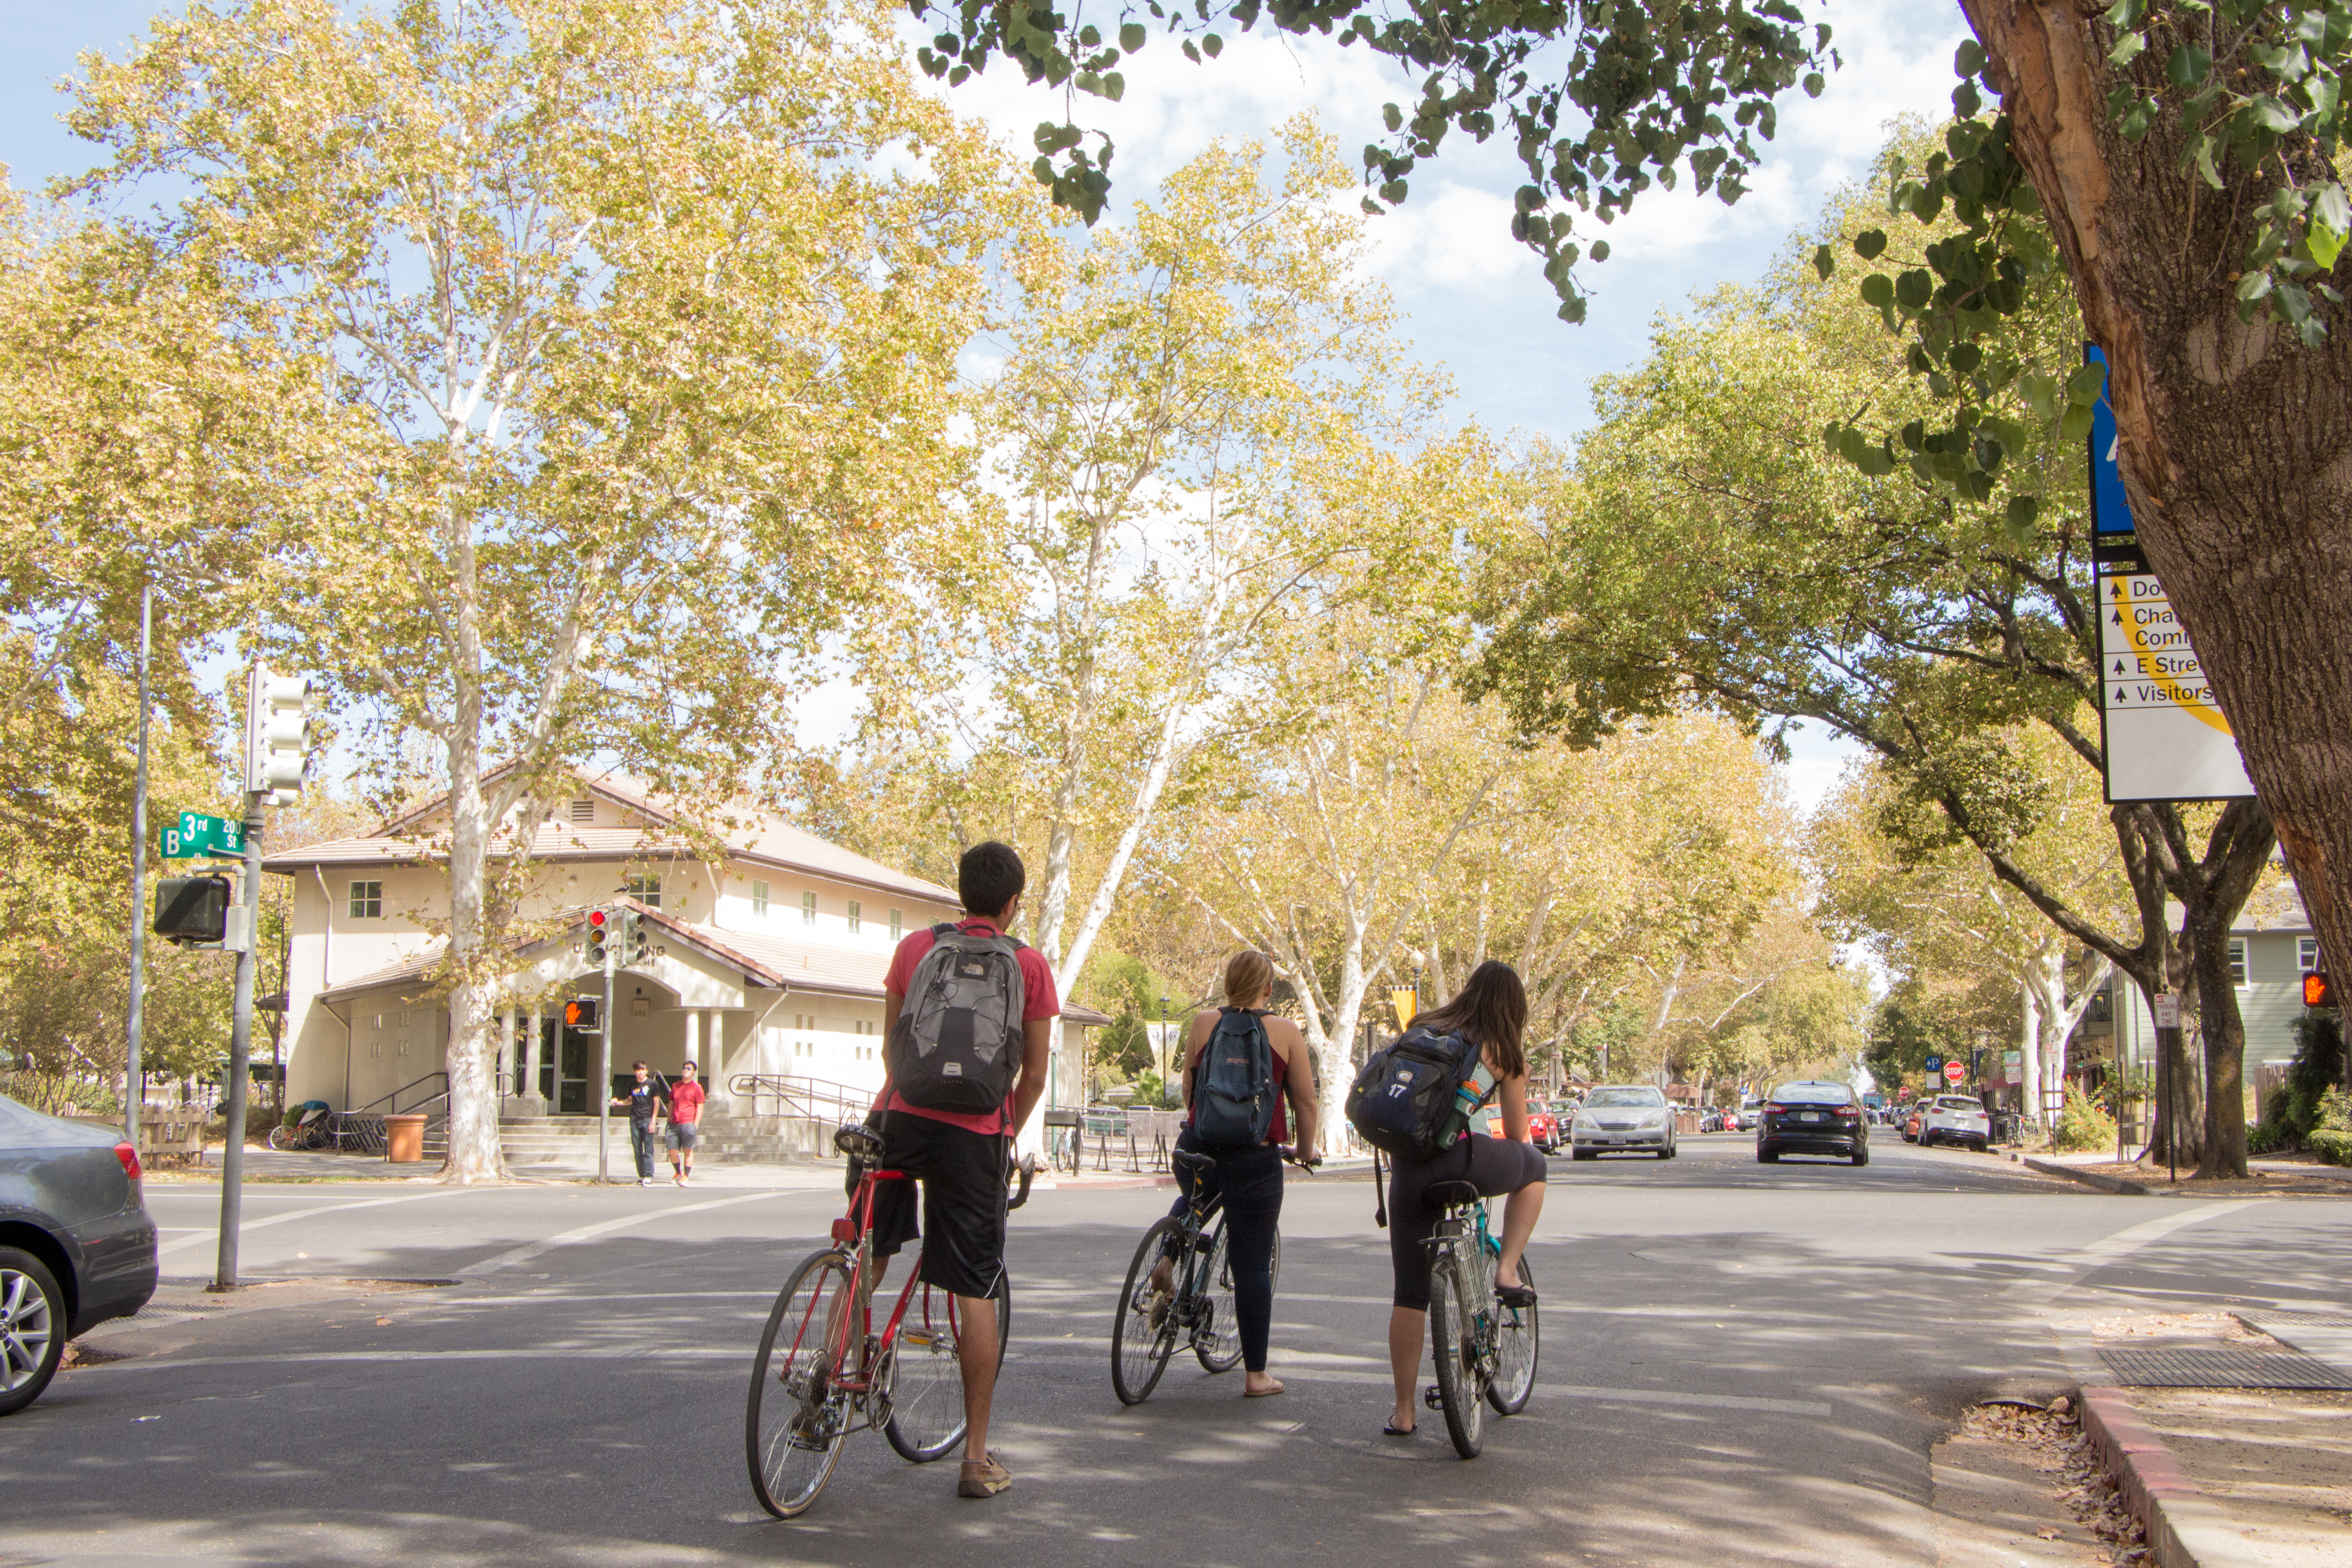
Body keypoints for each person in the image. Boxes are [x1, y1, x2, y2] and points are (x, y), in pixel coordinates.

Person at [869, 841, 1056, 1499]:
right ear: (1012, 903)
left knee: (867, 1250)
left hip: (899, 1120)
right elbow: (1033, 1074)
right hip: (974, 1134)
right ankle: (975, 1460)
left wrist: (897, 1105)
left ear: (960, 892)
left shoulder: (915, 950)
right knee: (975, 1288)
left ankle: (832, 1369)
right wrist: (1006, 1124)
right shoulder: (1028, 965)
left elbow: (894, 1049)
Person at [1380, 960, 1547, 1438]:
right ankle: (1507, 1268)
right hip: (1460, 1161)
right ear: (1512, 1006)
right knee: (1535, 1168)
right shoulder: (1502, 1046)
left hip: (1408, 1168)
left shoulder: (1422, 1026)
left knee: (1409, 1294)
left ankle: (1404, 1412)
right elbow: (1518, 1135)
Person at [1141, 950, 1318, 1397]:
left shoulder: (1204, 1023)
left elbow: (1189, 1086)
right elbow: (1306, 1101)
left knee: (1198, 1193)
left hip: (1196, 1146)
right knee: (1252, 1263)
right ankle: (1256, 1375)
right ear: (1268, 988)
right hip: (1254, 1158)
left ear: (1228, 982)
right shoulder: (1285, 1031)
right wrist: (1306, 1150)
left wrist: (1204, 1124)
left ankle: (1167, 1258)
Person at [610, 1060, 666, 1186]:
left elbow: (656, 1103)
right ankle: (642, 1174)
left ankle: (649, 1175)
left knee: (648, 1148)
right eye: (638, 1070)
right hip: (634, 1120)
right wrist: (618, 1102)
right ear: (634, 1072)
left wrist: (653, 1121)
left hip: (647, 1119)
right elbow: (629, 1100)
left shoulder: (652, 1084)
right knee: (637, 1149)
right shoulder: (632, 1085)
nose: (641, 1073)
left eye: (643, 1070)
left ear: (646, 1071)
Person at [667, 1060, 707, 1186]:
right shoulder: (675, 1086)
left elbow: (700, 1106)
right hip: (674, 1123)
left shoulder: (697, 1088)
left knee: (688, 1151)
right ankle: (678, 1173)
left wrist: (696, 1124)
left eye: (689, 1069)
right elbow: (671, 1103)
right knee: (672, 1151)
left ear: (694, 1072)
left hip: (688, 1122)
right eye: (684, 1068)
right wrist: (669, 1119)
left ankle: (686, 1176)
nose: (686, 1071)